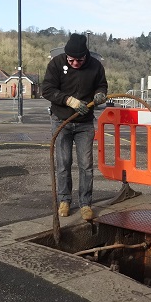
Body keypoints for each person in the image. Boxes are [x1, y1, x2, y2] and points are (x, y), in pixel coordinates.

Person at [41, 33, 108, 220]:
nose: (75, 63)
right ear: (66, 55)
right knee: (63, 163)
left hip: (84, 124)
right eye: (71, 60)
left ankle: (85, 203)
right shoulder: (56, 64)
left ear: (85, 56)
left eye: (79, 60)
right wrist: (68, 100)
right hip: (61, 121)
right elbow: (47, 89)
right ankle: (64, 200)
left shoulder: (95, 66)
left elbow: (102, 85)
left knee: (86, 165)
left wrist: (100, 94)